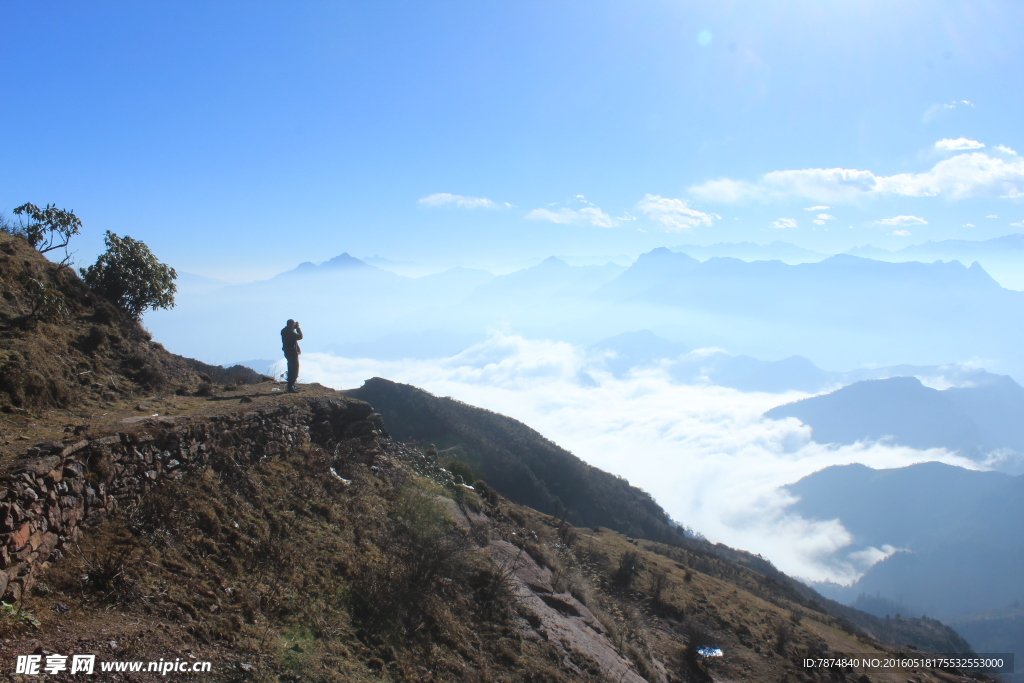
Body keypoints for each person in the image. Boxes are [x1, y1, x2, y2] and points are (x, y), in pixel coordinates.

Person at [280, 319, 303, 392]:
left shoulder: (284, 331)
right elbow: (300, 337)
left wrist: (293, 328)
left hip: (288, 351)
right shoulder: (288, 331)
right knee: (294, 369)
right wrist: (298, 328)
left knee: (291, 368)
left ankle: (291, 385)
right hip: (292, 352)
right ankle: (290, 387)